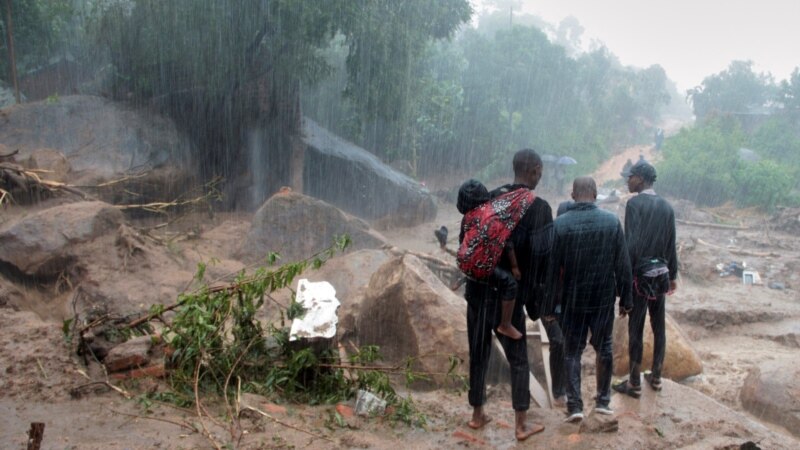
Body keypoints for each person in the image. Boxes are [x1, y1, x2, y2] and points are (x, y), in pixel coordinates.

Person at [464, 148, 551, 441]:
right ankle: (520, 424)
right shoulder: (539, 207)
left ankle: (477, 415)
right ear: (535, 170)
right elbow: (541, 261)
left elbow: (474, 236)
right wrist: (537, 304)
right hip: (508, 300)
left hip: (477, 289)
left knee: (478, 354)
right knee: (518, 359)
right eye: (540, 172)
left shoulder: (491, 196)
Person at [545, 177, 632, 422]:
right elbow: (623, 265)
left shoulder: (560, 225)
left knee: (572, 351)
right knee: (604, 347)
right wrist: (626, 299)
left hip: (573, 300)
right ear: (595, 194)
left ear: (573, 195)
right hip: (603, 299)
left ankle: (574, 407)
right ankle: (603, 402)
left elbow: (552, 271)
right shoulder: (611, 222)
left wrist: (549, 306)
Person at [613, 161, 678, 397]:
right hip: (661, 274)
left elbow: (631, 245)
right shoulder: (667, 207)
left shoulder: (634, 204)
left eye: (630, 177)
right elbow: (671, 245)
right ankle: (657, 376)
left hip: (639, 277)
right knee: (659, 326)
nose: (627, 181)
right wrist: (673, 275)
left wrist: (624, 280)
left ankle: (633, 381)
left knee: (636, 328)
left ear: (640, 178)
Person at [455, 179, 524, 340]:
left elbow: (462, 241)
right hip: (484, 268)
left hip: (466, 265)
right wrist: (514, 266)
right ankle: (505, 324)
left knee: (478, 336)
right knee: (511, 284)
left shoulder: (467, 218)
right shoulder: (493, 215)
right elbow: (507, 243)